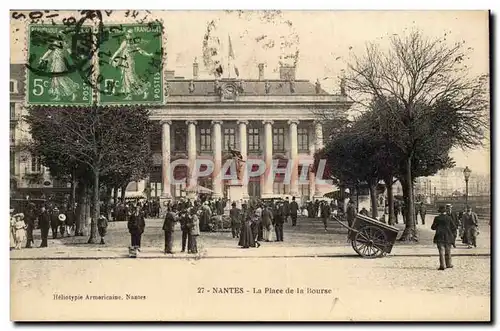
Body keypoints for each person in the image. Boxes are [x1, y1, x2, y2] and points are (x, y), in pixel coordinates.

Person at [431, 205, 457, 270]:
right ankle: (449, 264)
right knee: (448, 251)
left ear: (440, 212)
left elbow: (433, 227)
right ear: (445, 211)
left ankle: (442, 265)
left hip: (439, 236)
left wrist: (438, 227)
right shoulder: (449, 218)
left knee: (441, 251)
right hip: (448, 236)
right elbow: (454, 227)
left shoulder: (437, 218)